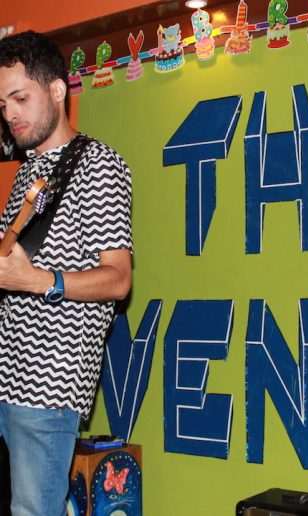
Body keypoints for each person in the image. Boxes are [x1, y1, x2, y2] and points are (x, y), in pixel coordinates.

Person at [0, 31, 133, 516]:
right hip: (7, 373)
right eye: (3, 104)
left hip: (48, 386)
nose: (10, 114)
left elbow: (118, 278)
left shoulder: (98, 164)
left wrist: (39, 281)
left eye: (20, 98)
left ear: (57, 90)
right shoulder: (28, 171)